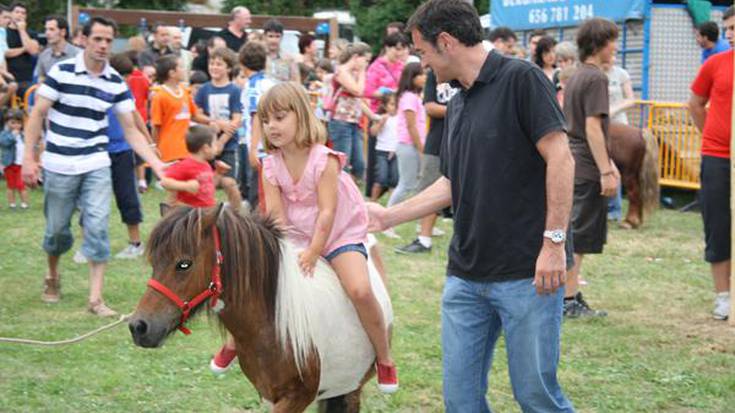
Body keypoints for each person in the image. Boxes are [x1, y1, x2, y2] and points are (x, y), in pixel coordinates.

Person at [368, 1, 575, 410]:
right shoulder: (458, 100)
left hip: (527, 275)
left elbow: (561, 158)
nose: (422, 63)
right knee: (460, 401)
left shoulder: (523, 80)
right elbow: (452, 181)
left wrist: (553, 244)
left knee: (536, 396)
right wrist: (388, 215)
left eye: (423, 52)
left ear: (445, 42)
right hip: (465, 277)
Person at [21, 16, 165, 317]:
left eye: (108, 40)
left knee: (98, 226)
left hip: (96, 162)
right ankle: (52, 275)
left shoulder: (114, 81)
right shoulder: (61, 73)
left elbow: (131, 130)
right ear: (83, 39)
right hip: (59, 163)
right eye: (97, 39)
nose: (102, 45)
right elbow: (37, 115)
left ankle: (95, 299)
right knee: (57, 232)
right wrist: (29, 159)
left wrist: (157, 164)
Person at [260, 81, 398, 392]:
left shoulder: (325, 159)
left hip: (337, 234)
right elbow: (276, 217)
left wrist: (313, 252)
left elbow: (327, 213)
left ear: (301, 116)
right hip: (296, 234)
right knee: (258, 284)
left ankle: (385, 357)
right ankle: (233, 343)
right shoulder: (270, 165)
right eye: (266, 120)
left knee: (360, 289)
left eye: (280, 117)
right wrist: (287, 251)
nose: (272, 126)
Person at [563, 18, 620, 318]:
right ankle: (568, 300)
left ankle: (569, 295)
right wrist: (605, 170)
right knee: (578, 236)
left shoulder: (576, 76)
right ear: (599, 44)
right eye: (612, 40)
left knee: (573, 232)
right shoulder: (596, 78)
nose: (616, 47)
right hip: (586, 166)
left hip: (574, 161)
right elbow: (593, 128)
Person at [688, 5, 734, 321]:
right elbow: (694, 103)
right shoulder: (716, 64)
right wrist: (713, 136)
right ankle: (723, 296)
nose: (730, 34)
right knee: (717, 225)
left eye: (734, 27)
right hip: (718, 158)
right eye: (728, 28)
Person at [395, 68, 456, 253]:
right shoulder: (435, 73)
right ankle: (424, 239)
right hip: (438, 141)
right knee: (429, 190)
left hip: (469, 140)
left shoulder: (472, 72)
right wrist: (462, 107)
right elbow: (430, 107)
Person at [194, 46, 243, 208]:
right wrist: (213, 122)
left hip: (227, 144)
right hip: (207, 144)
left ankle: (237, 214)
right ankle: (202, 211)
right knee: (205, 182)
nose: (214, 67)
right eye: (212, 63)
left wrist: (221, 142)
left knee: (229, 182)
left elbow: (236, 120)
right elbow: (197, 114)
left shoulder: (235, 90)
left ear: (229, 68)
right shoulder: (204, 89)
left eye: (219, 64)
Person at [364, 32, 408, 198]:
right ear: (387, 48)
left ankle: (390, 193)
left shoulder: (401, 66)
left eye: (402, 49)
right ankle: (372, 192)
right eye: (396, 48)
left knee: (395, 156)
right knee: (377, 156)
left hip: (398, 116)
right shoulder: (376, 66)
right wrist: (388, 94)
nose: (399, 52)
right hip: (379, 114)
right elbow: (367, 91)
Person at [327, 42, 372, 180]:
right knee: (342, 164)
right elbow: (358, 91)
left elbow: (359, 98)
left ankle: (350, 191)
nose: (367, 64)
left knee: (359, 164)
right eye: (366, 60)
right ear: (356, 57)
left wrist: (372, 116)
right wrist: (363, 72)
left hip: (354, 122)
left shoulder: (354, 73)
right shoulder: (341, 71)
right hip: (340, 122)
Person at [239, 41, 275, 209]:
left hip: (261, 148)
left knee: (258, 196)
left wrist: (253, 149)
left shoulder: (253, 86)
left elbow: (257, 116)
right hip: (272, 147)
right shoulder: (270, 83)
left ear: (242, 63)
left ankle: (258, 232)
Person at [151, 55, 206, 164]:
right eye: (181, 67)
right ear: (172, 73)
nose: (184, 69)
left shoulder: (185, 91)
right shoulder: (159, 96)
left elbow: (195, 115)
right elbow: (156, 126)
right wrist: (155, 147)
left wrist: (214, 122)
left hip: (187, 149)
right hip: (169, 152)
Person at [387, 63, 427, 213]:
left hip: (413, 145)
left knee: (414, 184)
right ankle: (387, 217)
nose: (424, 77)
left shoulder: (414, 97)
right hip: (409, 145)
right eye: (420, 74)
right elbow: (411, 126)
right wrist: (421, 148)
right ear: (411, 77)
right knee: (406, 184)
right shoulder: (409, 97)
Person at [160, 125, 218, 208]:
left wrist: (219, 173)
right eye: (215, 144)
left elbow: (207, 187)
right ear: (206, 148)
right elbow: (164, 182)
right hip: (189, 215)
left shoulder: (206, 165)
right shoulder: (185, 165)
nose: (217, 148)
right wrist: (185, 186)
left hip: (204, 212)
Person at [369, 93, 399, 203]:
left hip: (395, 152)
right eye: (391, 104)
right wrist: (380, 124)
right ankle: (373, 201)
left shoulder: (401, 118)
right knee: (381, 178)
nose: (394, 106)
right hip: (382, 151)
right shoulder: (380, 117)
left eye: (396, 104)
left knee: (395, 180)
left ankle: (391, 205)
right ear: (385, 106)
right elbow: (373, 132)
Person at [4, 1, 39, 97]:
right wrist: (24, 48)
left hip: (26, 80)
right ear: (11, 14)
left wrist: (22, 30)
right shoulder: (3, 31)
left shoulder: (31, 33)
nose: (20, 15)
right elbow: (5, 52)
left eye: (23, 13)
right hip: (7, 79)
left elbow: (33, 51)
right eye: (17, 12)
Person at [35, 16, 80, 83]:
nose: (47, 33)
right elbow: (41, 77)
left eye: (51, 29)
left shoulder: (78, 54)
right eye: (46, 29)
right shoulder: (44, 55)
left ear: (63, 32)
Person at [0, 108, 28, 209]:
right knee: (10, 185)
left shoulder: (23, 134)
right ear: (7, 123)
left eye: (19, 123)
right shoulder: (4, 134)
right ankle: (12, 204)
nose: (16, 125)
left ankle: (24, 203)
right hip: (10, 164)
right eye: (13, 123)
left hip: (21, 164)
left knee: (21, 184)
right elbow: (4, 143)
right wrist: (12, 136)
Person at [263, 19, 300, 83]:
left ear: (282, 37)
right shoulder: (258, 57)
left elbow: (296, 82)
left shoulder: (290, 59)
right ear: (264, 36)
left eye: (277, 36)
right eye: (270, 36)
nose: (274, 40)